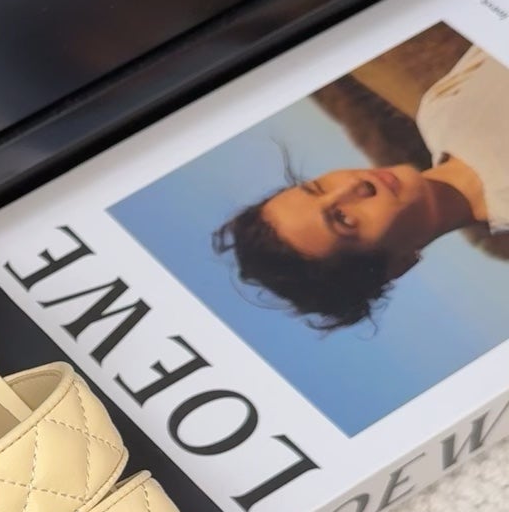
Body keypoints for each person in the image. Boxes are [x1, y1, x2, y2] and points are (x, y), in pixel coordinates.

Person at [214, 45, 509, 330]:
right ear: (398, 264)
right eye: (343, 219)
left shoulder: (438, 110)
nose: (354, 185)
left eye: (317, 187)